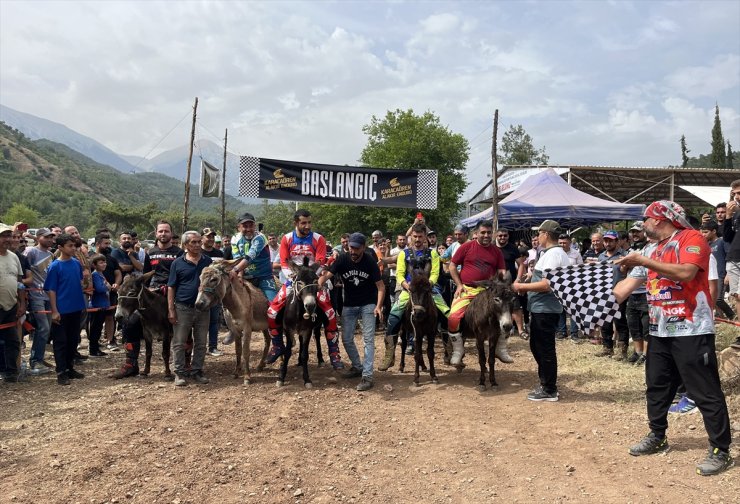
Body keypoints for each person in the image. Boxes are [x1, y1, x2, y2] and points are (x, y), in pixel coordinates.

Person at [614, 200, 733, 476]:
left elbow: (686, 272)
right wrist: (576, 289)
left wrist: (642, 260)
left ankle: (720, 450)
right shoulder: (649, 249)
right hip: (659, 330)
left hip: (692, 329)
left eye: (646, 219)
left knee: (704, 391)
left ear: (659, 219)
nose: (643, 224)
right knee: (656, 386)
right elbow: (624, 289)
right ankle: (658, 435)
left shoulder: (691, 238)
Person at [266, 209, 344, 369]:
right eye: (303, 223)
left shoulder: (318, 239)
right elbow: (284, 262)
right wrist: (294, 278)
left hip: (312, 280)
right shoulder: (287, 238)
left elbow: (321, 261)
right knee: (272, 312)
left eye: (309, 222)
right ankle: (277, 345)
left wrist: (310, 277)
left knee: (330, 313)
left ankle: (334, 353)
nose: (307, 226)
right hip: (293, 279)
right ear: (296, 223)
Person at [512, 220, 570, 401]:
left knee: (544, 348)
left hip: (545, 308)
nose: (537, 237)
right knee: (538, 346)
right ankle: (546, 383)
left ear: (545, 234)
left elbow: (547, 285)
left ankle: (549, 389)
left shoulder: (553, 254)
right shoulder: (552, 253)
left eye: (539, 233)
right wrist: (527, 286)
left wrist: (522, 286)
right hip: (541, 307)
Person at [379, 223, 450, 370]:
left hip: (429, 289)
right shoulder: (404, 254)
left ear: (425, 237)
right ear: (411, 236)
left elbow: (435, 272)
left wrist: (429, 284)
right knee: (393, 315)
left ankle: (449, 349)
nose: (417, 239)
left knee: (447, 313)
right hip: (409, 289)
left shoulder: (433, 253)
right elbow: (399, 273)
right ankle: (390, 354)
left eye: (420, 236)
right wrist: (406, 285)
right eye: (415, 236)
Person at [319, 233, 384, 391]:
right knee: (347, 339)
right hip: (349, 304)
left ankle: (367, 376)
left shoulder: (370, 261)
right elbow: (328, 274)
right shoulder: (342, 258)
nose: (353, 251)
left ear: (363, 247)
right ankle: (357, 366)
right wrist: (319, 283)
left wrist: (378, 306)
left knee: (368, 340)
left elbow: (381, 286)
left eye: (356, 248)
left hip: (368, 304)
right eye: (350, 247)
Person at [447, 220, 507, 366]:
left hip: (489, 291)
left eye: (488, 232)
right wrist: (459, 285)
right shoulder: (466, 247)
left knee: (506, 315)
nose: (486, 235)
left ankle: (501, 348)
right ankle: (458, 350)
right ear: (476, 233)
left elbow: (501, 270)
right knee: (453, 318)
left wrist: (502, 281)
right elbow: (452, 266)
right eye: (483, 232)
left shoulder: (496, 251)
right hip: (468, 289)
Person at [167, 231, 213, 386]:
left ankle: (197, 371)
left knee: (201, 342)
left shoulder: (208, 261)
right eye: (193, 242)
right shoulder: (177, 263)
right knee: (179, 342)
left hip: (203, 309)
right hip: (183, 307)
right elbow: (171, 287)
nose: (197, 245)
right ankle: (179, 373)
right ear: (185, 245)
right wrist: (171, 309)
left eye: (199, 242)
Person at [44, 233, 87, 386]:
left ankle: (69, 368)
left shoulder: (76, 263)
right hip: (62, 310)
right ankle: (61, 372)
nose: (73, 248)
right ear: (60, 247)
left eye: (74, 245)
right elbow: (51, 289)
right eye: (70, 246)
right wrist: (54, 310)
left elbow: (80, 282)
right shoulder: (55, 266)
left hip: (76, 308)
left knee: (73, 339)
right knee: (60, 341)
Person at [24, 227, 56, 375]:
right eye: (47, 237)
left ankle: (40, 357)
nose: (50, 239)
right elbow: (24, 269)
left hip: (48, 294)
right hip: (35, 295)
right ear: (38, 237)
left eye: (52, 237)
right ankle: (35, 361)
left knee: (47, 329)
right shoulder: (31, 252)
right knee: (42, 327)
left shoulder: (50, 254)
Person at [596, 230, 629, 359]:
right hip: (604, 293)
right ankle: (607, 347)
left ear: (617, 241)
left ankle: (622, 350)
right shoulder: (601, 256)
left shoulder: (624, 255)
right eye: (606, 241)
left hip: (620, 293)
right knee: (604, 321)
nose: (607, 243)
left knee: (620, 321)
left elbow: (629, 274)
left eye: (610, 240)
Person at [0, 222, 26, 383]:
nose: (7, 239)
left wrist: (22, 303)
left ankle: (10, 372)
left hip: (11, 306)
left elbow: (19, 282)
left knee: (12, 341)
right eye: (3, 236)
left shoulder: (14, 257)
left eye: (9, 235)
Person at [201, 227, 224, 357]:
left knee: (214, 320)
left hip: (215, 294)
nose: (210, 239)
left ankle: (213, 347)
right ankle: (199, 347)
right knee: (200, 321)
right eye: (207, 236)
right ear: (202, 238)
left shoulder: (219, 253)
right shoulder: (199, 253)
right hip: (202, 293)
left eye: (212, 237)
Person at [723, 180, 740, 340]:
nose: (736, 197)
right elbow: (727, 237)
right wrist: (728, 216)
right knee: (737, 296)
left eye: (739, 193)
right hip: (734, 257)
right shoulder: (734, 211)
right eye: (734, 193)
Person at [87, 254, 110, 357]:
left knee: (98, 328)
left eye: (104, 262)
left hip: (103, 304)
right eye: (101, 262)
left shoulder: (101, 274)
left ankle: (96, 348)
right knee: (95, 328)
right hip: (97, 305)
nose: (104, 264)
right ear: (94, 265)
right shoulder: (95, 275)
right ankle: (93, 349)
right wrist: (108, 286)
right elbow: (100, 289)